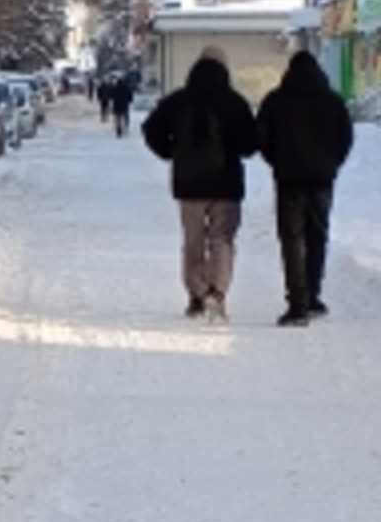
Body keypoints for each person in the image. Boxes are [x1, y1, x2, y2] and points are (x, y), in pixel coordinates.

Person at [140, 44, 258, 323]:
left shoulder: (178, 101)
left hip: (188, 183)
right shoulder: (234, 103)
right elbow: (251, 142)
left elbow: (151, 129)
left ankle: (196, 295)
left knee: (193, 240)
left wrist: (171, 152)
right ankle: (217, 293)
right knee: (222, 239)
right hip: (226, 183)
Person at [256, 50, 354, 327]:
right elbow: (345, 138)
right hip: (322, 179)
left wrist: (277, 160)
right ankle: (313, 296)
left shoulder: (275, 101)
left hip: (288, 179)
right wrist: (331, 163)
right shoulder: (333, 102)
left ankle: (297, 304)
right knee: (317, 236)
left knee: (291, 240)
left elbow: (261, 136)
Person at [109, 73, 135, 138]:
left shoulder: (115, 88)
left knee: (118, 118)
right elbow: (130, 96)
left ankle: (119, 129)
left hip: (117, 105)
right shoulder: (126, 88)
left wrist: (114, 100)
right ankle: (126, 126)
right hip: (124, 105)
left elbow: (111, 96)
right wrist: (129, 101)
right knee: (125, 116)